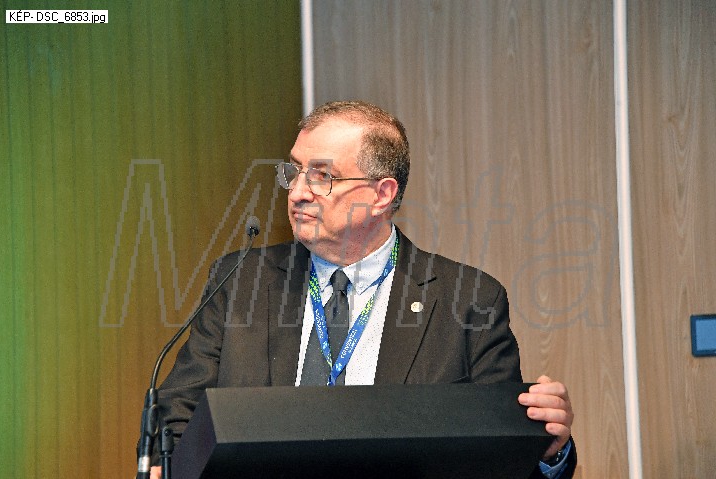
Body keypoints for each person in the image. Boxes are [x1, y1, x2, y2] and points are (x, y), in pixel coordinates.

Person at [149, 100, 575, 478]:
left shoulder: (468, 301)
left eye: (322, 176)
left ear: (381, 194)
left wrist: (548, 449)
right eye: (294, 171)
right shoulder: (241, 281)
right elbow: (174, 421)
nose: (297, 192)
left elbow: (497, 453)